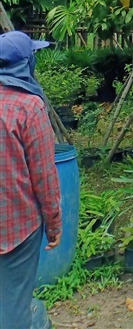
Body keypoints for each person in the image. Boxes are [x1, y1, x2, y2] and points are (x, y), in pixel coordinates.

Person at [0, 30, 62, 329]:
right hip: (16, 228)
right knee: (14, 304)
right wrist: (54, 225)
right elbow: (44, 177)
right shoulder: (28, 107)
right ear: (25, 64)